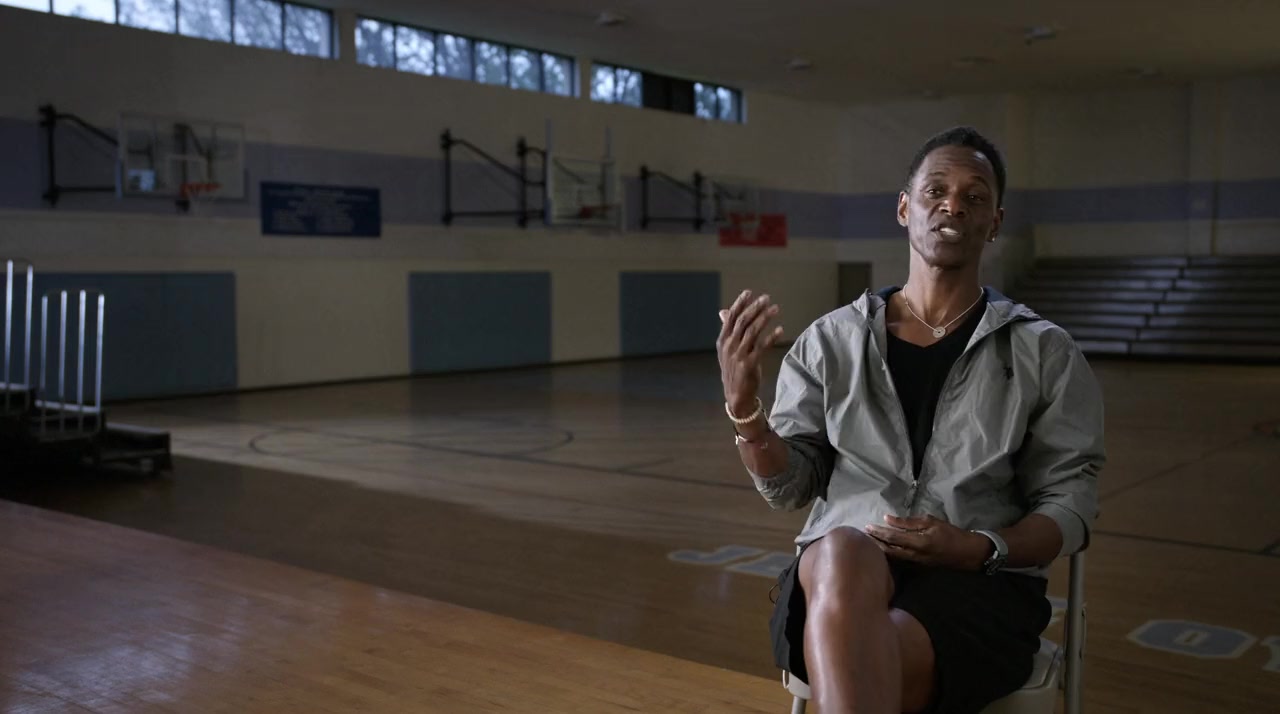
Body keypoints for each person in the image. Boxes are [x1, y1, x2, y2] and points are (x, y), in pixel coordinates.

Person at [715, 126, 1104, 714]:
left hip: (979, 585)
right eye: (935, 191)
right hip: (835, 582)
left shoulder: (1044, 351)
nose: (953, 205)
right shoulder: (830, 340)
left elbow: (1070, 503)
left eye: (975, 196)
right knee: (843, 550)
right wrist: (746, 409)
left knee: (862, 658)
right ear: (904, 209)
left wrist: (978, 547)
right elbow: (790, 486)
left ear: (994, 222)